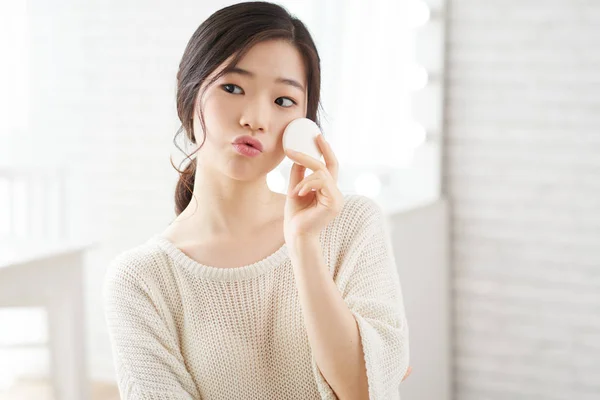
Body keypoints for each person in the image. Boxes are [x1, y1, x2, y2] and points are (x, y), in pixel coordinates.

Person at [102, 2, 411, 399]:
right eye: (232, 88)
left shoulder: (350, 223)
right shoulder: (141, 280)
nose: (256, 118)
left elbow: (364, 391)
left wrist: (303, 246)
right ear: (189, 91)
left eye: (283, 101)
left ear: (304, 123)